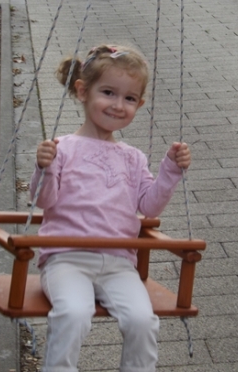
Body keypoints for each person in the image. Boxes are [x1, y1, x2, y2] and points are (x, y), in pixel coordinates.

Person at [30, 44, 192, 372]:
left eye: (129, 98)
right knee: (73, 313)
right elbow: (44, 201)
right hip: (66, 258)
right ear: (82, 91)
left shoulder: (132, 158)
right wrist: (44, 168)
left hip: (119, 263)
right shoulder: (63, 148)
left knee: (142, 320)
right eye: (108, 93)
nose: (118, 105)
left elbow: (149, 207)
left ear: (139, 104)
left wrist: (171, 170)